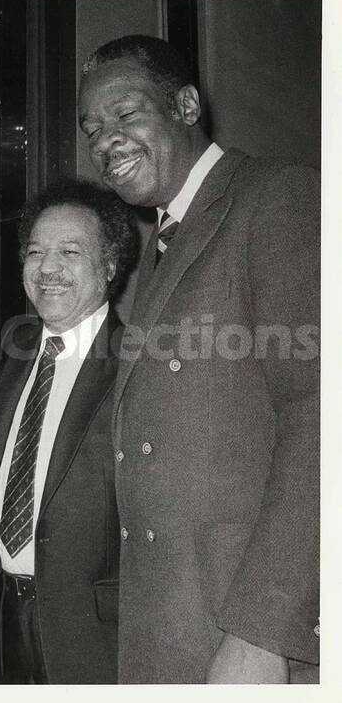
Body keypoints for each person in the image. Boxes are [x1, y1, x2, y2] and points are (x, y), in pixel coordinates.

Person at [77, 34, 319, 683]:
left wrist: (264, 632)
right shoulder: (164, 243)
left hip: (242, 631)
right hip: (172, 630)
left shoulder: (279, 197)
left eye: (126, 116)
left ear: (186, 106)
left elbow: (321, 413)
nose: (106, 142)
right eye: (93, 129)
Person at [0, 180, 138, 684]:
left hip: (98, 638)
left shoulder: (141, 362)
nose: (47, 268)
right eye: (35, 252)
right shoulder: (10, 358)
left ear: (111, 266)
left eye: (69, 252)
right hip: (3, 625)